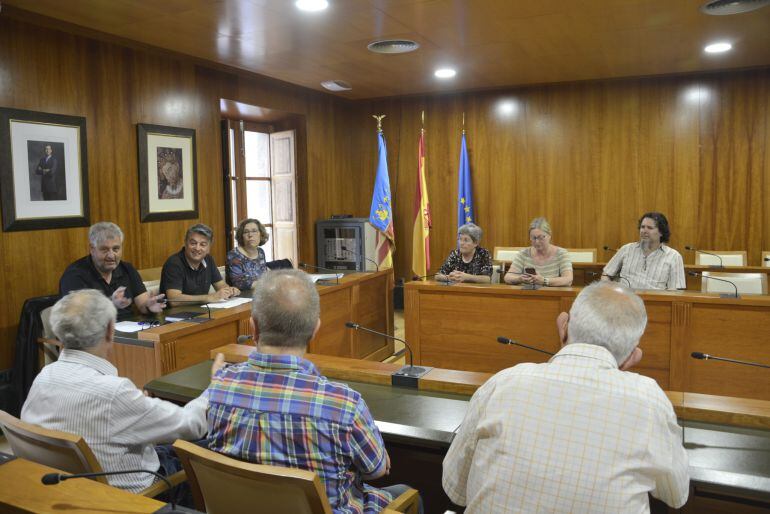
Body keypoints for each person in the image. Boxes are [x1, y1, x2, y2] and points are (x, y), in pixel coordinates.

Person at [442, 282, 689, 513]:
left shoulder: (504, 382)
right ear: (632, 357)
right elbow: (676, 496)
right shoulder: (650, 400)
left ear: (563, 327)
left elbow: (455, 487)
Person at [206, 270, 421, 514]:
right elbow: (377, 470)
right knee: (405, 494)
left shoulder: (219, 386)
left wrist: (220, 382)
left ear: (253, 327)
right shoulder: (343, 404)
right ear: (315, 330)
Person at [21, 289, 225, 494]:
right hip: (146, 496)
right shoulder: (114, 393)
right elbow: (192, 425)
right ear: (110, 330)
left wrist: (137, 408)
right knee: (217, 448)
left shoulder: (44, 377)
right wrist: (216, 385)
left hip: (73, 491)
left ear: (58, 333)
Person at [60, 222, 166, 319]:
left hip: (129, 331)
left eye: (116, 249)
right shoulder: (75, 275)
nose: (111, 255)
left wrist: (149, 306)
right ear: (92, 249)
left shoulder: (127, 269)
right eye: (105, 250)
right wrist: (110, 304)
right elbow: (77, 317)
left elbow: (142, 304)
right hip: (93, 336)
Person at [602, 212, 685, 290]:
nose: (644, 231)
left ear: (661, 233)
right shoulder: (626, 249)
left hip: (655, 303)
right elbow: (606, 275)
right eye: (642, 227)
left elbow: (675, 291)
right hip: (625, 301)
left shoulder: (674, 256)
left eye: (650, 228)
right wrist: (610, 292)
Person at [160, 223, 240, 303]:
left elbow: (221, 286)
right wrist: (208, 297)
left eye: (203, 244)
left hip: (203, 311)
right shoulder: (174, 263)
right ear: (185, 243)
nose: (197, 248)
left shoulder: (208, 259)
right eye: (193, 243)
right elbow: (174, 300)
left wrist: (230, 291)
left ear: (209, 247)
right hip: (175, 314)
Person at [504, 217, 573, 287]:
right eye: (533, 238)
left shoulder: (561, 254)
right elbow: (508, 277)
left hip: (552, 296)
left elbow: (568, 280)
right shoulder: (523, 254)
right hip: (527, 295)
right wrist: (519, 279)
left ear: (549, 235)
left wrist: (544, 281)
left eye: (541, 237)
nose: (537, 242)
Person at [226, 218, 269, 290]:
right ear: (241, 236)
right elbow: (239, 284)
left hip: (261, 292)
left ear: (261, 235)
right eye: (246, 232)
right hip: (242, 298)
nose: (250, 235)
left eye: (254, 231)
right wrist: (268, 283)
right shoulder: (234, 255)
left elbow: (264, 274)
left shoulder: (260, 252)